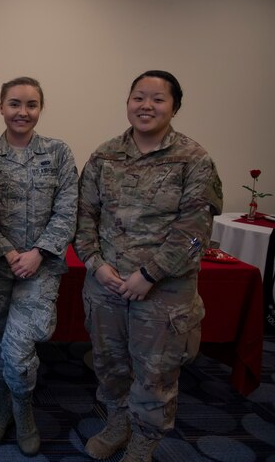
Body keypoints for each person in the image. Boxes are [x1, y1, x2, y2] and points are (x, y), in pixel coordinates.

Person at [74, 70, 223, 462]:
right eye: (139, 97)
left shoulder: (194, 159)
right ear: (127, 102)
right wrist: (95, 264)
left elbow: (195, 232)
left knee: (155, 375)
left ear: (174, 106)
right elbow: (83, 217)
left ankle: (143, 442)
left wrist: (149, 275)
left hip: (162, 293)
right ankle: (117, 422)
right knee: (110, 365)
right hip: (106, 285)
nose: (146, 106)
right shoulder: (104, 155)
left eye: (158, 99)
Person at [0, 77, 78, 454]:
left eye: (31, 105)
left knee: (18, 350)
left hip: (42, 267)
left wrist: (38, 253)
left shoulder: (59, 153)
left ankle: (23, 412)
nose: (23, 112)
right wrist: (7, 252)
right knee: (0, 344)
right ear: (0, 107)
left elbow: (68, 209)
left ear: (40, 109)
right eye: (15, 104)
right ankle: (2, 411)